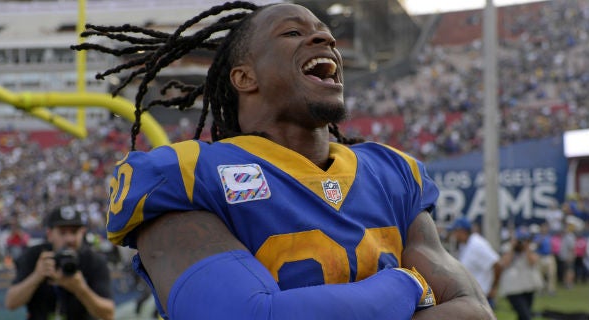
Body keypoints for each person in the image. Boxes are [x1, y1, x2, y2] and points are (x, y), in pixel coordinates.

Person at [74, 2, 494, 319]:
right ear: (244, 77)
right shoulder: (185, 175)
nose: (324, 39)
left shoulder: (394, 172)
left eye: (326, 33)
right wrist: (403, 285)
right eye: (292, 32)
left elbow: (473, 310)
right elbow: (246, 315)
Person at [4, 206, 115, 320]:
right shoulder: (35, 256)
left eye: (74, 232)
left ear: (82, 233)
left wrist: (80, 289)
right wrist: (37, 276)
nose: (69, 239)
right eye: (62, 233)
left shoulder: (94, 261)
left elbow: (108, 314)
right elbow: (11, 303)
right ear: (50, 234)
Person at [447, 216, 502, 309]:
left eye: (455, 231)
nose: (454, 235)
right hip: (472, 297)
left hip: (482, 297)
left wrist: (494, 288)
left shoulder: (477, 244)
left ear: (462, 231)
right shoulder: (464, 245)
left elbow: (497, 264)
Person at [498, 229, 543, 320]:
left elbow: (532, 262)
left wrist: (526, 248)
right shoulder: (507, 248)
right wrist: (512, 247)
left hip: (528, 287)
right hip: (513, 289)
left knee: (523, 316)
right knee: (526, 316)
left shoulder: (531, 248)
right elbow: (505, 263)